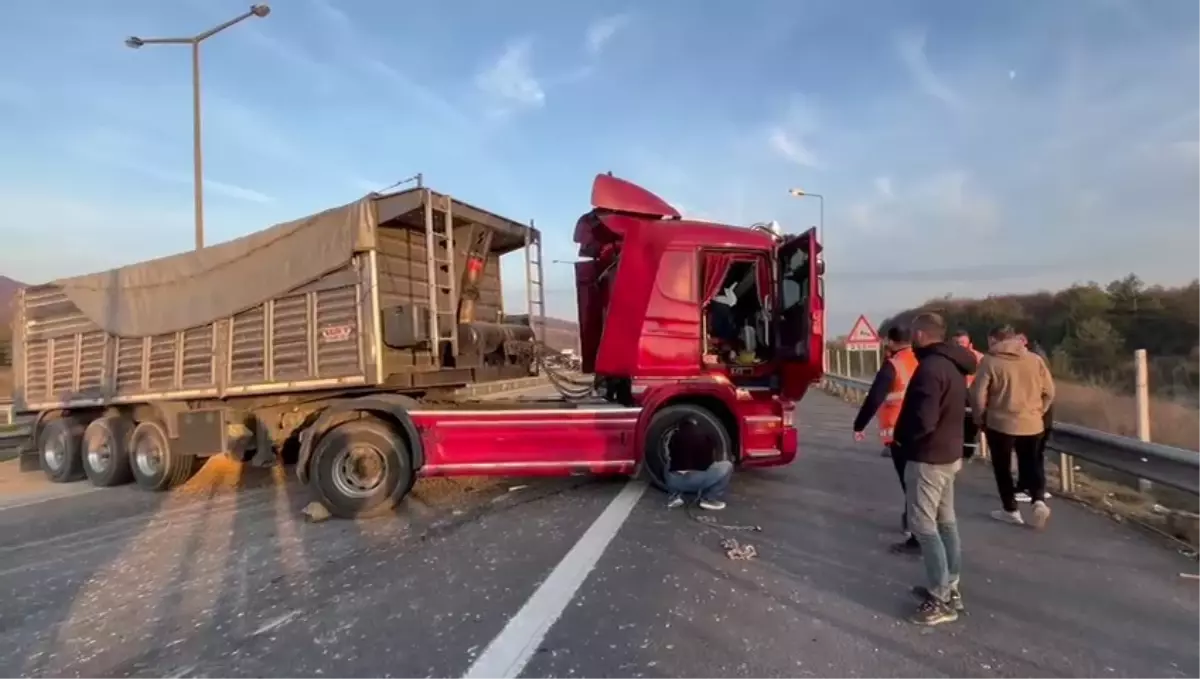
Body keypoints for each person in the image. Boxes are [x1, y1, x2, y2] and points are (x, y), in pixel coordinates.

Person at [893, 312, 978, 625]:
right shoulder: (955, 364)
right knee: (945, 522)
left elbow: (923, 420)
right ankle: (949, 585)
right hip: (948, 454)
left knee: (924, 526)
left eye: (914, 334)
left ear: (919, 335)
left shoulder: (929, 368)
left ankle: (940, 598)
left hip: (928, 457)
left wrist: (904, 441)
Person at [971, 325, 1056, 529]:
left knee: (1003, 467)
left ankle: (1010, 509)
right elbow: (1050, 392)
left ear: (994, 340)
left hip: (1000, 423)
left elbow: (978, 394)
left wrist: (980, 417)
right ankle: (1038, 500)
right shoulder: (1035, 360)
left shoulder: (990, 361)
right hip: (1032, 422)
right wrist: (1039, 411)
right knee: (1032, 463)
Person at [851, 326, 921, 554]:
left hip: (899, 430)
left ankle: (916, 534)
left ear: (891, 341)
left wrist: (859, 425)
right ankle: (913, 522)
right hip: (925, 429)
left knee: (909, 483)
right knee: (918, 482)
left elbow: (874, 398)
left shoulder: (893, 365)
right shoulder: (923, 359)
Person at [662, 415, 732, 511]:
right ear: (696, 424)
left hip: (675, 481)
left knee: (668, 463)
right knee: (727, 465)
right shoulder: (705, 436)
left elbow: (667, 455)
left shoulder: (673, 436)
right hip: (697, 481)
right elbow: (710, 461)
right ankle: (708, 499)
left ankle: (674, 496)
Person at [951, 330, 985, 461]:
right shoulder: (948, 357)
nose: (959, 345)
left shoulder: (979, 358)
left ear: (970, 344)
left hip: (972, 395)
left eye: (962, 343)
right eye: (956, 343)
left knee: (970, 427)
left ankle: (968, 451)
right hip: (954, 394)